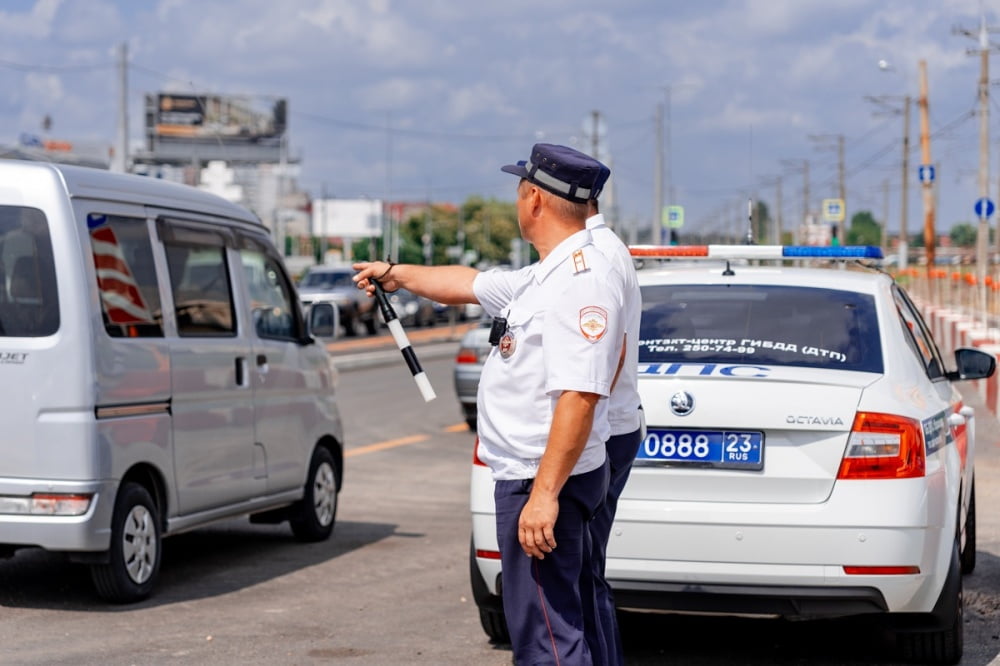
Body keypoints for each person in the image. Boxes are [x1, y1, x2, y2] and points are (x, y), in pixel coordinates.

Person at [352, 143, 627, 664]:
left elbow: (581, 394)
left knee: (547, 639)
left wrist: (544, 495)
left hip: (541, 478)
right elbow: (471, 284)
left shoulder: (579, 280)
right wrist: (396, 273)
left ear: (534, 200)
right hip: (538, 474)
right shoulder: (550, 272)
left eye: (519, 191)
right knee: (558, 623)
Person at [583, 177, 643, 666]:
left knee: (581, 575)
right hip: (606, 431)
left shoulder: (595, 259)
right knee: (584, 571)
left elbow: (607, 358)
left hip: (598, 436)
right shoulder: (596, 250)